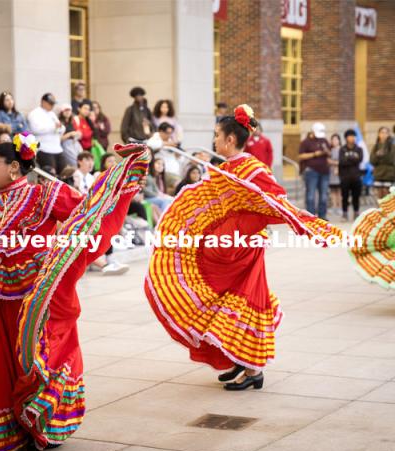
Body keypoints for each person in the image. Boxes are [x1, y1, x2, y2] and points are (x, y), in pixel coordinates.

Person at [0, 133, 148, 451]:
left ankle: (35, 423)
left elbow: (88, 215)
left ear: (13, 168)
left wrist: (117, 179)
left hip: (33, 299)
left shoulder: (44, 195)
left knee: (32, 360)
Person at [145, 104, 341, 391]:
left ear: (230, 140)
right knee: (223, 299)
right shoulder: (227, 168)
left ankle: (253, 369)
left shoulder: (251, 168)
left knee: (248, 301)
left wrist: (304, 221)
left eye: (217, 135)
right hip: (227, 249)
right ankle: (239, 358)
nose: (214, 141)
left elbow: (275, 201)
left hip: (243, 249)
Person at [299, 122, 331, 220]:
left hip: (324, 171)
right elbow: (300, 156)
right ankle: (311, 216)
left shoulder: (324, 140)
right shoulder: (306, 142)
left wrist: (326, 152)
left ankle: (322, 216)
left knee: (324, 195)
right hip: (311, 171)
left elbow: (330, 154)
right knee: (311, 195)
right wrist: (314, 154)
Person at [28, 93, 66, 174]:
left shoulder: (52, 114)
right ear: (43, 102)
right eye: (50, 103)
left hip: (57, 148)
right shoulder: (35, 113)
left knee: (64, 173)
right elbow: (35, 129)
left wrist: (59, 128)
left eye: (53, 104)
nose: (52, 106)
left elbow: (61, 128)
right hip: (44, 149)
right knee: (51, 175)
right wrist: (53, 127)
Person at [147, 122, 182, 193]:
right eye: (167, 133)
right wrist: (166, 144)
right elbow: (150, 144)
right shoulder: (155, 138)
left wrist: (177, 153)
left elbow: (179, 158)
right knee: (180, 186)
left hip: (175, 171)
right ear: (160, 132)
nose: (169, 135)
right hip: (165, 171)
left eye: (171, 133)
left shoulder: (171, 141)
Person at [338, 129, 363, 221]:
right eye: (350, 136)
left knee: (356, 196)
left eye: (353, 136)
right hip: (345, 177)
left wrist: (348, 158)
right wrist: (353, 158)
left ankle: (356, 212)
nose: (352, 138)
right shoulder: (342, 149)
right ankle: (345, 213)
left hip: (356, 176)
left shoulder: (359, 149)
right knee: (345, 196)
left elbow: (359, 160)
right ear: (346, 138)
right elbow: (342, 162)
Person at [370, 126, 395, 199]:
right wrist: (377, 155)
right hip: (378, 173)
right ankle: (381, 210)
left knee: (387, 194)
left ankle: (388, 210)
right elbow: (372, 160)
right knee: (380, 195)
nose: (384, 134)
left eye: (385, 133)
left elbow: (391, 159)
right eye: (382, 132)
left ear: (388, 134)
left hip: (389, 174)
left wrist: (382, 155)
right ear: (379, 134)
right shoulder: (375, 146)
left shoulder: (392, 146)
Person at [328, 133, 342, 216]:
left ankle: (339, 207)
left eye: (336, 139)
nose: (334, 141)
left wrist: (333, 162)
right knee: (333, 191)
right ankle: (334, 207)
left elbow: (342, 161)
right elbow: (327, 160)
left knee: (339, 191)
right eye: (333, 140)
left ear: (339, 140)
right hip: (331, 173)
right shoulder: (330, 150)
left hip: (340, 172)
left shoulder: (341, 149)